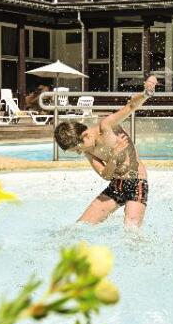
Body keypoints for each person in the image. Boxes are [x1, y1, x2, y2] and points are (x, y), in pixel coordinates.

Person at [54, 75, 157, 228]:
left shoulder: (107, 126)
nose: (79, 153)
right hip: (116, 185)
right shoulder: (88, 151)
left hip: (137, 182)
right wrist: (113, 158)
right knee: (80, 226)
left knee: (131, 230)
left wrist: (145, 94)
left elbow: (130, 106)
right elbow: (106, 175)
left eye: (77, 149)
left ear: (85, 135)